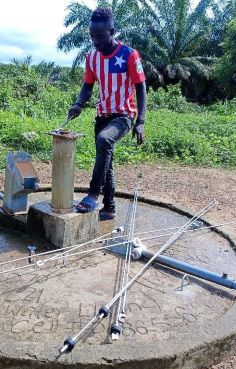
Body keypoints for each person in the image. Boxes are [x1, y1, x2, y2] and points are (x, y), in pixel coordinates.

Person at [68, 7, 147, 221]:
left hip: (123, 116)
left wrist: (140, 121)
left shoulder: (129, 55)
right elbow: (87, 86)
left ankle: (93, 193)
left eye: (100, 36)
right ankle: (109, 208)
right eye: (92, 36)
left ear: (112, 31)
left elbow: (141, 87)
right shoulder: (92, 57)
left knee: (104, 141)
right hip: (102, 116)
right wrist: (78, 104)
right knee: (107, 161)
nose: (95, 41)